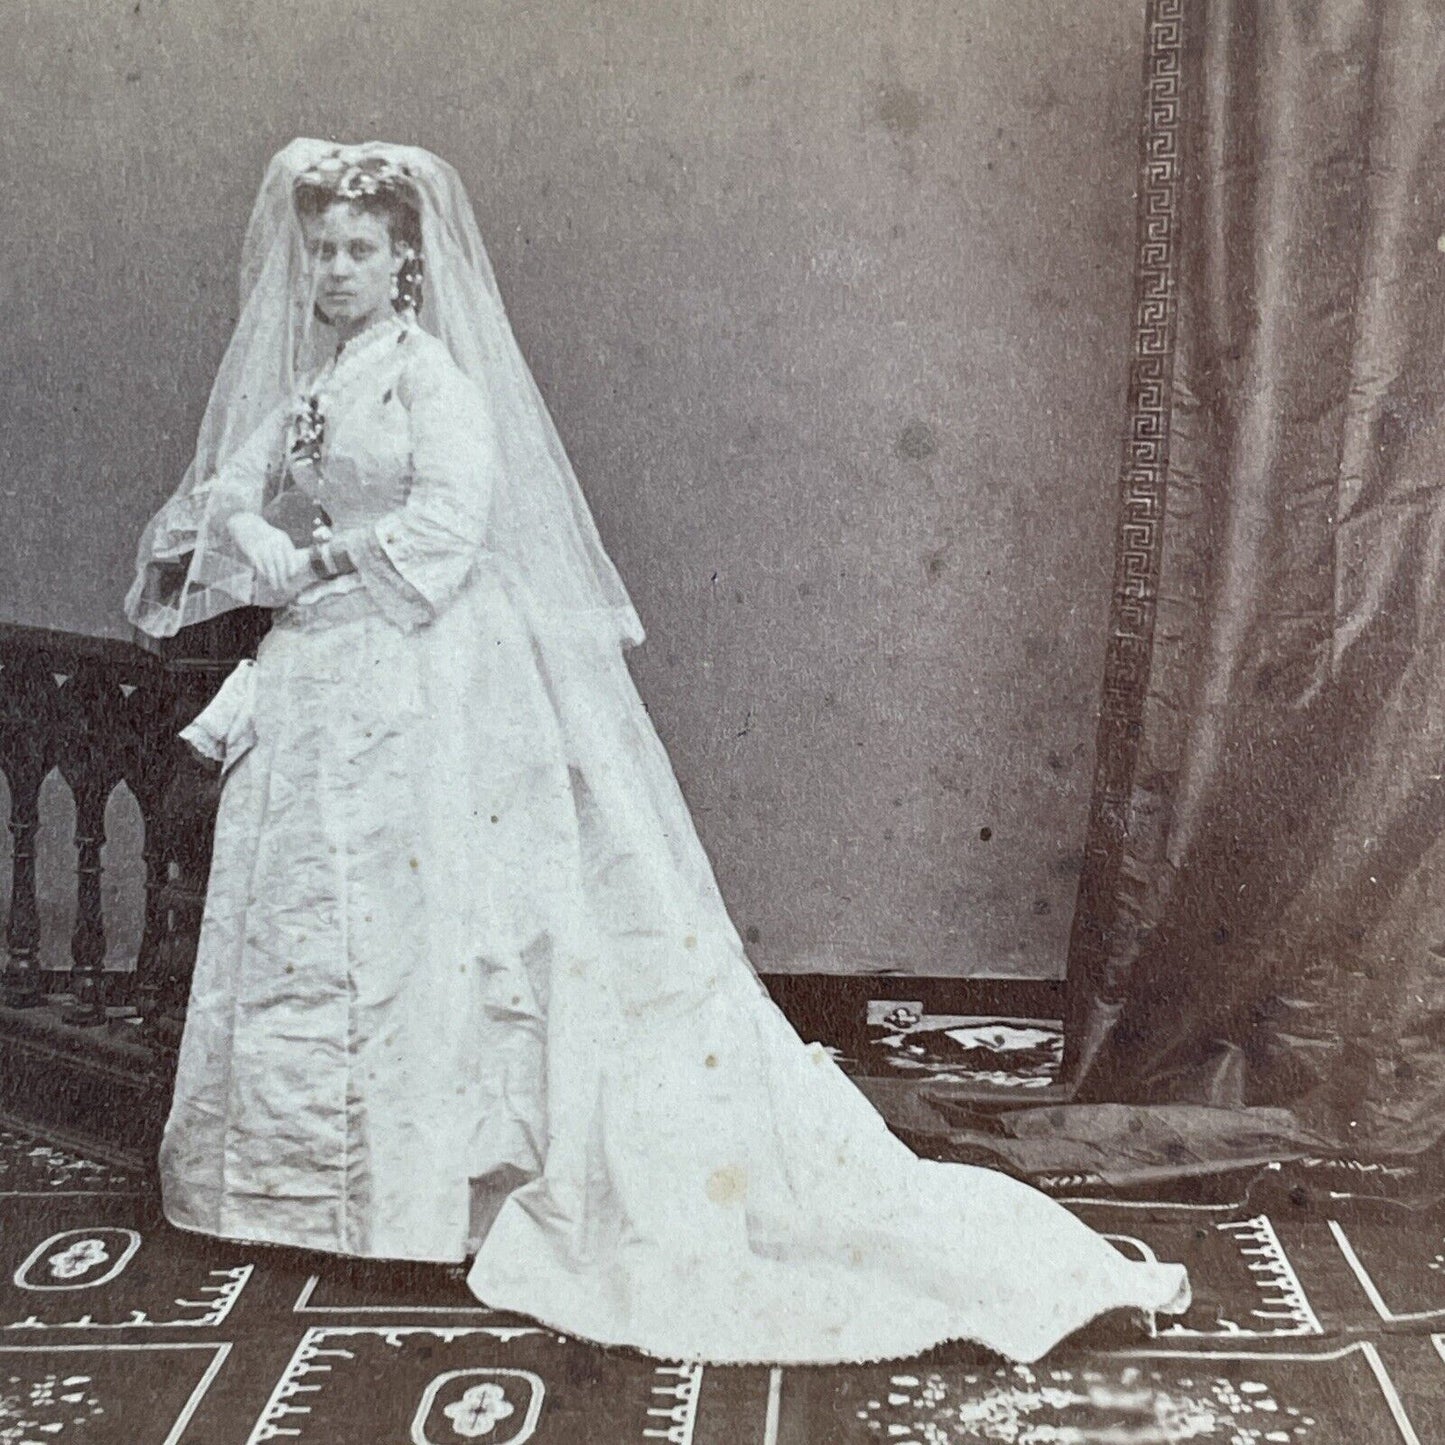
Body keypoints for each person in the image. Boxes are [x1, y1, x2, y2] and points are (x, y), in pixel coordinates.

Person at [125, 138, 1189, 1365]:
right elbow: (225, 494)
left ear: (407, 264)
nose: (335, 270)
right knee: (321, 911)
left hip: (427, 672)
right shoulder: (312, 391)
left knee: (440, 916)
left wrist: (303, 559)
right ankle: (304, 1192)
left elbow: (447, 526)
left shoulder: (429, 381)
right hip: (322, 671)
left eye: (360, 250)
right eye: (323, 252)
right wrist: (260, 540)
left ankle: (431, 1191)